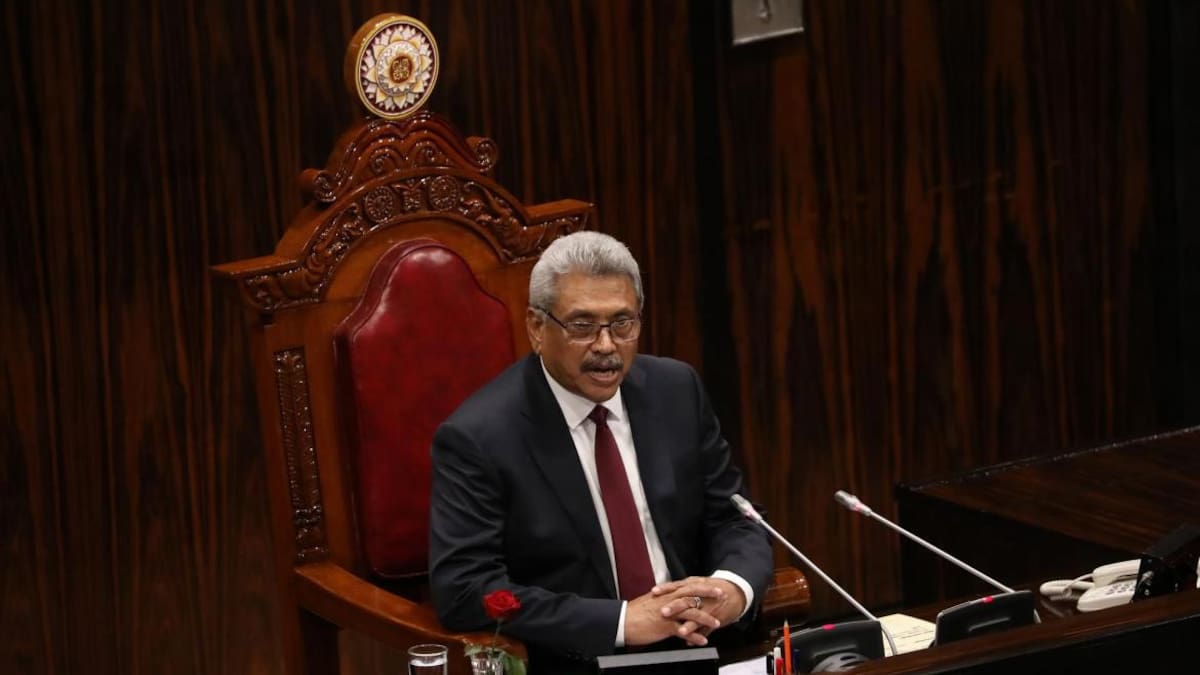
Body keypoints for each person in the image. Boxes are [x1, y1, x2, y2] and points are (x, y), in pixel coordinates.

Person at [429, 231, 773, 673]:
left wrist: (732, 589)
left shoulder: (676, 391)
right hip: (576, 660)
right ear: (536, 327)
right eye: (582, 326)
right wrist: (623, 621)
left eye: (622, 323)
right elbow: (465, 588)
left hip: (699, 649)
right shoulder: (479, 437)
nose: (607, 347)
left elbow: (736, 516)